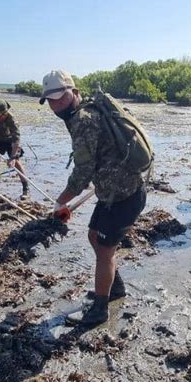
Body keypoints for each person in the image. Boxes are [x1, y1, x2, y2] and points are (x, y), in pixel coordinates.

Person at [40, 69, 147, 327]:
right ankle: (114, 289)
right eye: (51, 100)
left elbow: (82, 172)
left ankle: (99, 310)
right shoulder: (85, 112)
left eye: (60, 97)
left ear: (74, 91)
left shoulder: (83, 119)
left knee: (105, 252)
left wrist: (60, 201)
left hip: (123, 196)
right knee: (93, 236)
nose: (56, 105)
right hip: (112, 194)